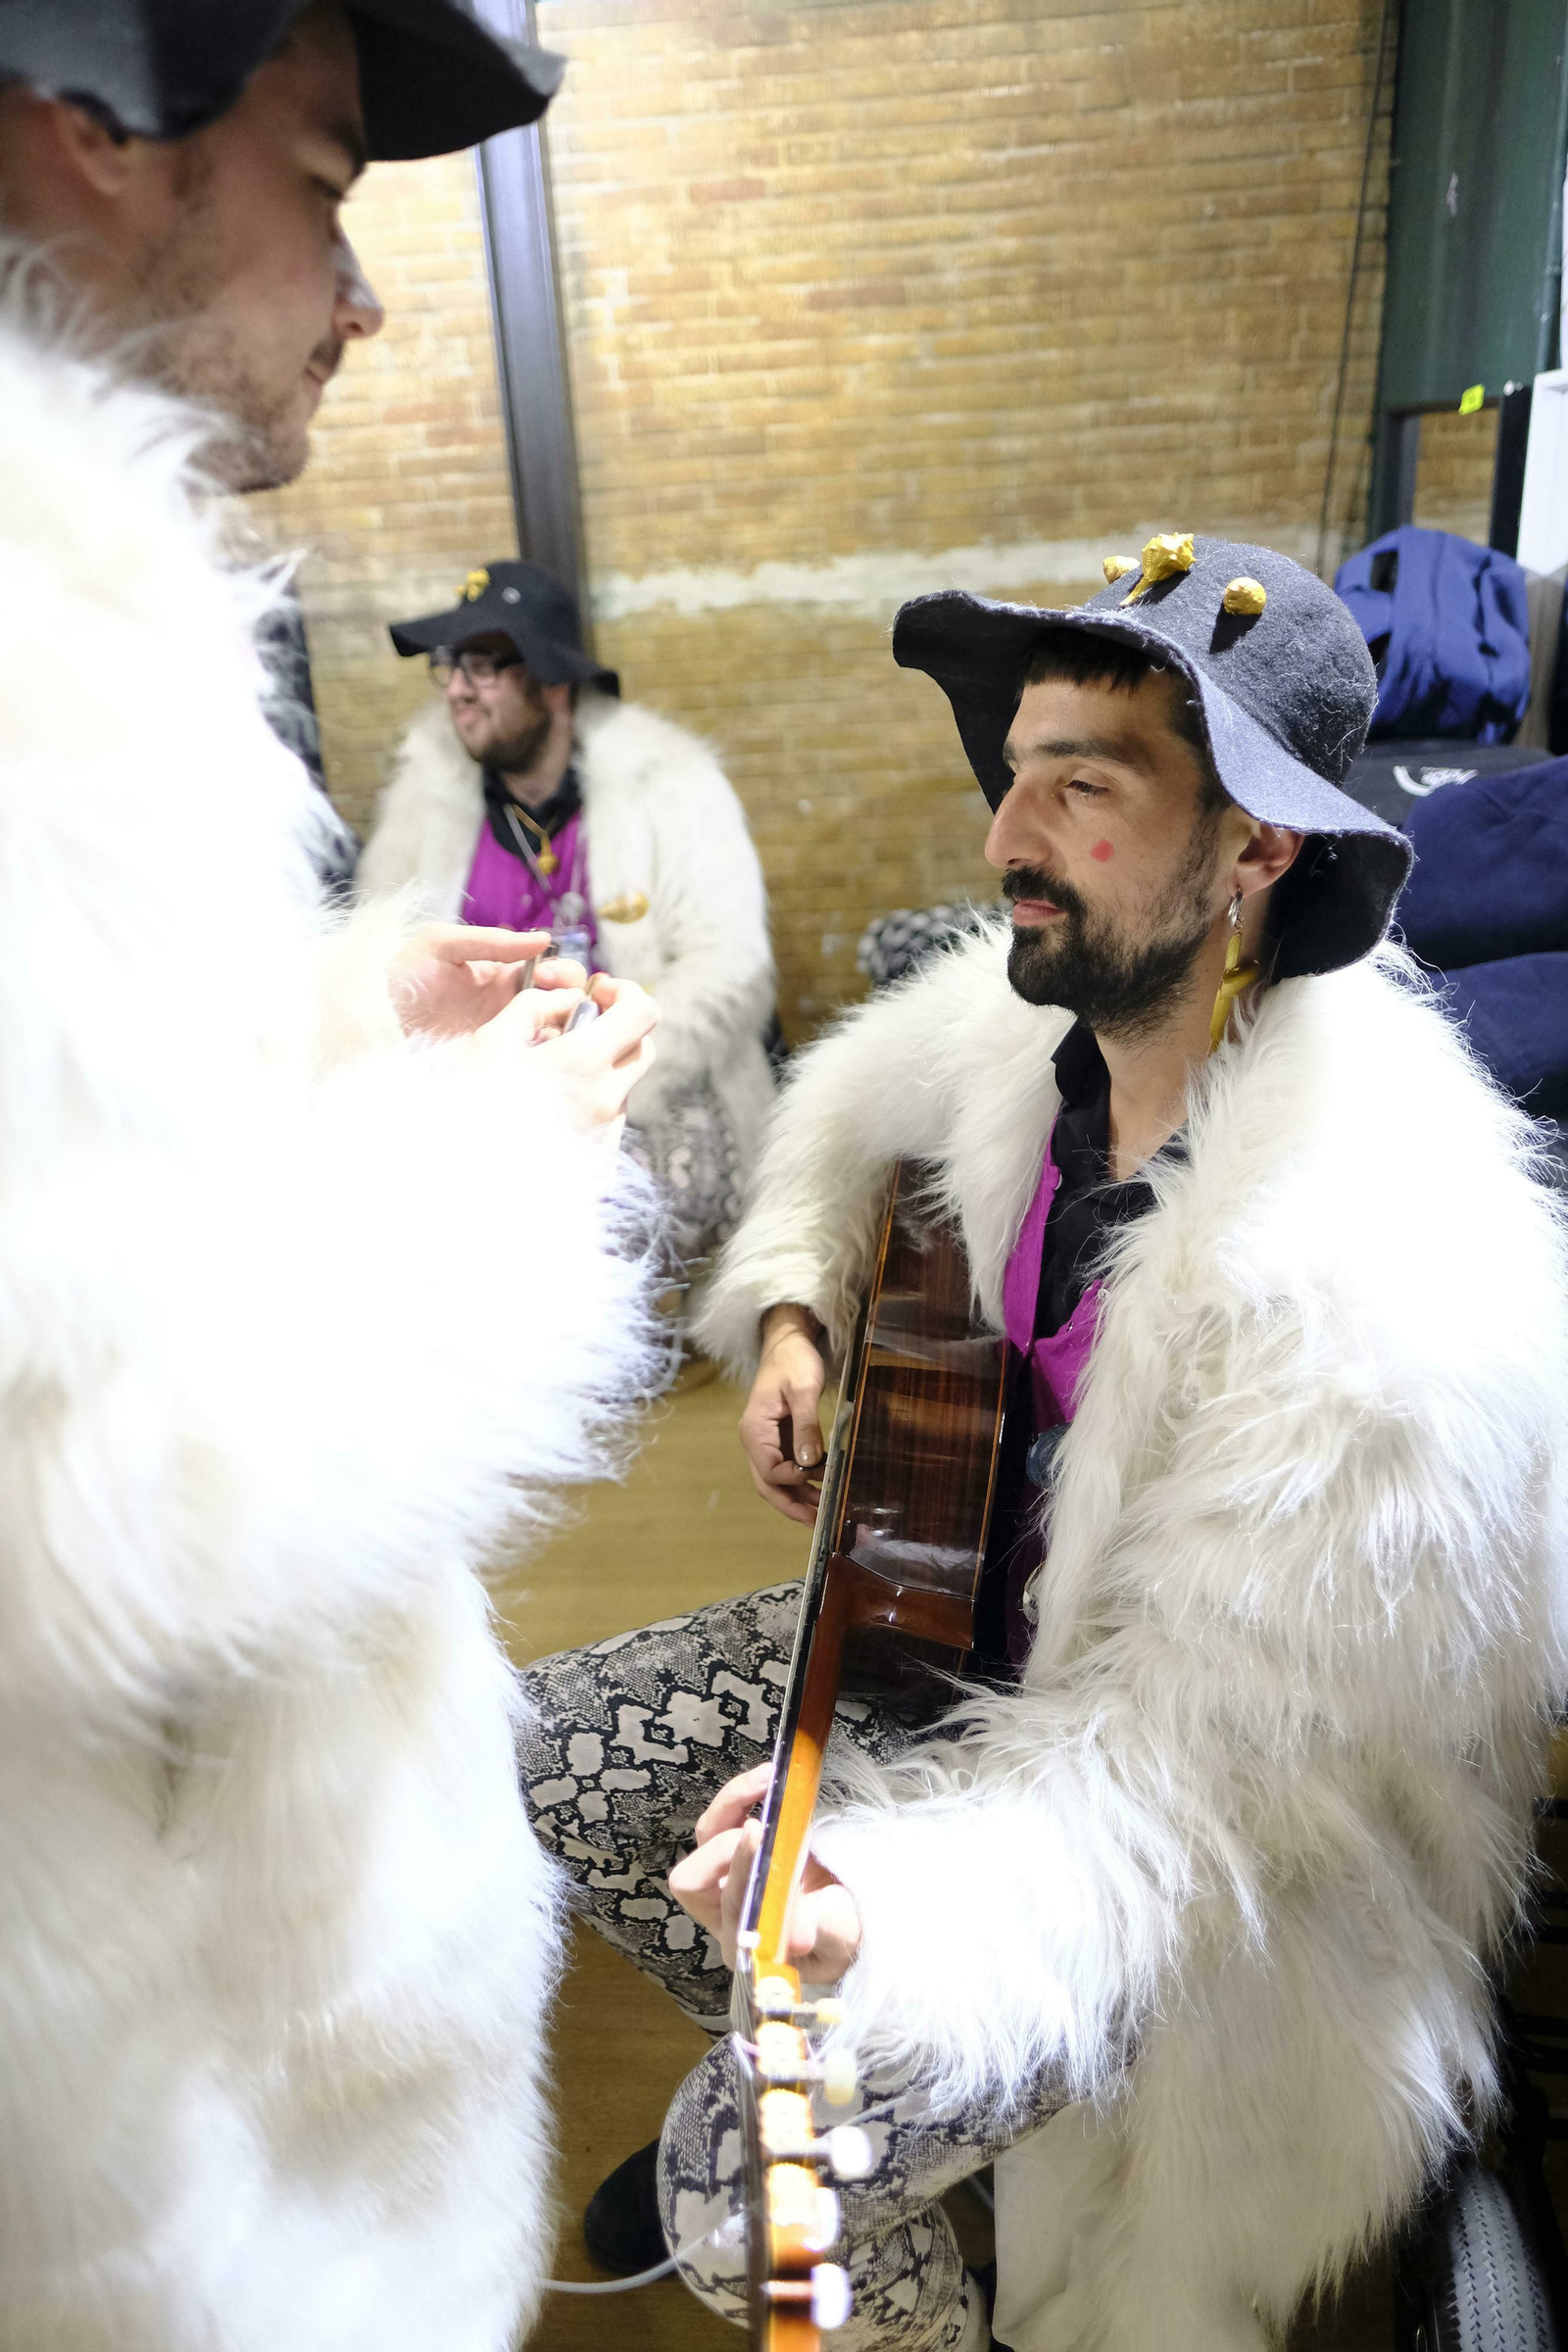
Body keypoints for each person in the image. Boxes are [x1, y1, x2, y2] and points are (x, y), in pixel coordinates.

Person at [518, 534, 1568, 2352]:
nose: (1009, 835)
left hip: (1230, 1868)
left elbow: (1176, 1812)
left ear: (1260, 852)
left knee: (733, 2188)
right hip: (977, 1657)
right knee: (554, 1757)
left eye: (1085, 785)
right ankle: (915, 2132)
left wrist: (884, 1912)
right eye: (1017, 768)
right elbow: (856, 1095)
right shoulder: (1045, 1031)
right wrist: (791, 1304)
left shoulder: (1387, 1291)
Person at [0, 7, 662, 2348]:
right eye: (326, 174)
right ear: (88, 124)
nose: (357, 291)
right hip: (155, 2137)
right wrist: (501, 1162)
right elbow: (80, 1508)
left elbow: (74, 1193)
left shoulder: (80, 609)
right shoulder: (31, 640)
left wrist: (341, 1019)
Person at [358, 559, 776, 1268]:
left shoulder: (670, 785)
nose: (457, 689)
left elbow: (729, 968)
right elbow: (380, 966)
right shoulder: (421, 803)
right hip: (481, 1098)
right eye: (451, 666)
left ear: (552, 681)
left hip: (645, 1084)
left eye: (484, 666)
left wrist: (597, 1067)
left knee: (600, 1218)